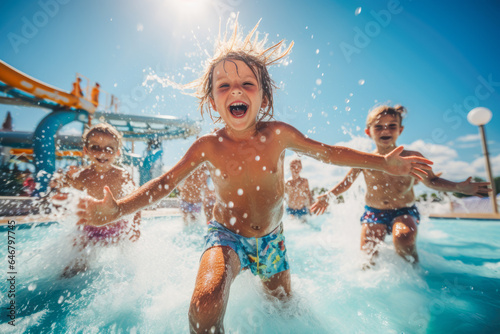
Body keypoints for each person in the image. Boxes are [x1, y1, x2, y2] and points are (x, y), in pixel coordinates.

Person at [76, 20, 432, 332]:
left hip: (272, 241)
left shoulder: (277, 134)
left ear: (264, 97)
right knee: (205, 304)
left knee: (284, 309)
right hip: (225, 236)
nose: (236, 91)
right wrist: (119, 208)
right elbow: (166, 183)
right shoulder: (207, 145)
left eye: (248, 84)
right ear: (212, 102)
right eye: (224, 86)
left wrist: (382, 162)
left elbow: (329, 153)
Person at [311, 105, 491, 267]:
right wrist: (328, 196)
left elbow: (432, 181)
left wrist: (459, 187)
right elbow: (346, 183)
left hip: (404, 210)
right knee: (367, 255)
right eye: (379, 126)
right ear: (368, 132)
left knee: (404, 238)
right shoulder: (365, 160)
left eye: (392, 125)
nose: (385, 130)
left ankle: (413, 271)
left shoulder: (412, 157)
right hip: (374, 211)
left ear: (400, 130)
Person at [51, 123, 141, 278]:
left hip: (119, 227)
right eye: (95, 147)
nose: (102, 153)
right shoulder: (82, 176)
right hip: (91, 230)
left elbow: (136, 200)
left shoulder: (122, 175)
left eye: (109, 149)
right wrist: (59, 181)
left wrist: (136, 226)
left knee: (129, 266)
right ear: (86, 151)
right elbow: (62, 190)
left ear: (117, 152)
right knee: (73, 269)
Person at [285, 158, 314, 222]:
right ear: (290, 168)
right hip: (291, 210)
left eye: (298, 166)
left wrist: (311, 207)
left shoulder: (304, 182)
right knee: (291, 221)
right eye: (293, 166)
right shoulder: (287, 183)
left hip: (302, 209)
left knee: (305, 225)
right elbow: (282, 197)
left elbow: (308, 195)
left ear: (301, 168)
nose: (296, 168)